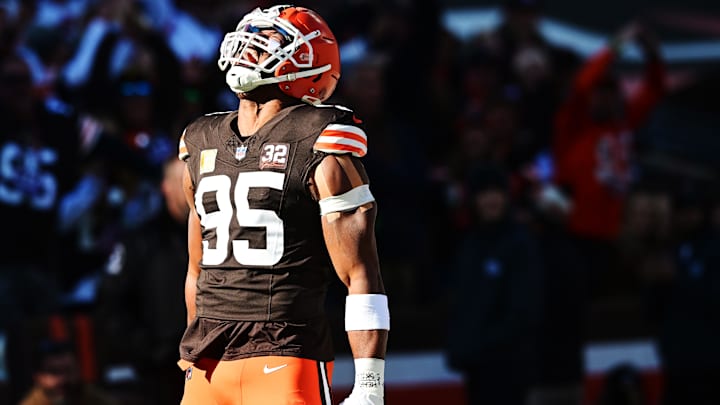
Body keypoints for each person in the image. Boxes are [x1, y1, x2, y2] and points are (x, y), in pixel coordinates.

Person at [176, 5, 389, 405]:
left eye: (270, 39)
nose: (249, 47)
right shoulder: (200, 139)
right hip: (208, 360)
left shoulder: (320, 139)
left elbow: (360, 273)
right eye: (250, 34)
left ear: (309, 62)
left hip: (285, 352)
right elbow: (196, 269)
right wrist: (192, 347)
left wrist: (370, 384)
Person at [445, 164, 543, 405]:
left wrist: (480, 346)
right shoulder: (468, 245)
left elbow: (525, 310)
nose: (491, 200)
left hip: (510, 369)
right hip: (476, 370)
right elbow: (460, 302)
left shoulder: (521, 244)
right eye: (483, 193)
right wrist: (459, 345)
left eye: (496, 192)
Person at [18, 339, 118, 405]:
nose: (63, 379)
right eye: (54, 372)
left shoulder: (95, 399)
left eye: (68, 370)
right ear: (38, 377)